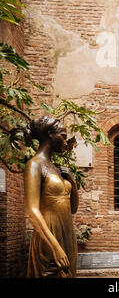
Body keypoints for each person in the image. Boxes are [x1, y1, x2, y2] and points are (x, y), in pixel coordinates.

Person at [24, 116, 78, 278]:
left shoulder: (56, 168)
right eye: (62, 135)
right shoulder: (34, 165)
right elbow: (32, 212)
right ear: (50, 135)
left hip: (66, 232)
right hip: (49, 236)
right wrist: (55, 247)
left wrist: (72, 182)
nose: (65, 140)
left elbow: (73, 208)